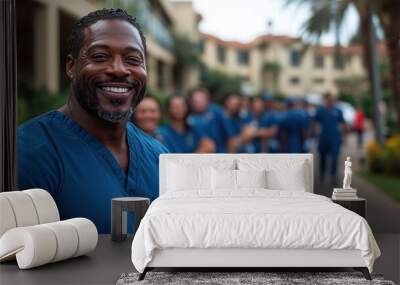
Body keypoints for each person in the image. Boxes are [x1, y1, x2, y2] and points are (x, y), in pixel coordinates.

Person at [18, 9, 168, 233]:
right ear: (71, 66)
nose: (119, 69)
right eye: (100, 56)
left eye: (133, 59)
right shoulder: (27, 152)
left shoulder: (160, 157)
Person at [313, 93, 347, 183]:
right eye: (328, 100)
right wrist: (315, 134)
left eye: (332, 100)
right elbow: (315, 123)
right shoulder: (320, 111)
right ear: (325, 100)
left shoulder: (338, 111)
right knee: (322, 157)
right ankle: (322, 174)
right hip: (324, 137)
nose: (330, 102)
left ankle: (333, 175)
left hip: (335, 137)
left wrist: (344, 136)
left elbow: (343, 123)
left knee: (335, 156)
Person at [187, 88, 228, 153]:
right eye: (194, 100)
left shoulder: (217, 111)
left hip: (220, 153)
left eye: (200, 98)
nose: (197, 101)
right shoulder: (188, 115)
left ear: (207, 100)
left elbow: (230, 136)